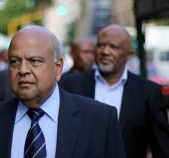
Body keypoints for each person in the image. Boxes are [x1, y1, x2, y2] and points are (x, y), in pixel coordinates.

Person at [0, 25, 125, 158]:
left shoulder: (101, 120)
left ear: (57, 68)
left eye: (34, 61)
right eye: (15, 61)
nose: (23, 70)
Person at [60, 24, 169, 158]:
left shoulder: (149, 93)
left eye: (114, 47)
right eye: (100, 45)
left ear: (129, 54)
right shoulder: (70, 86)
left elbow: (162, 149)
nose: (105, 51)